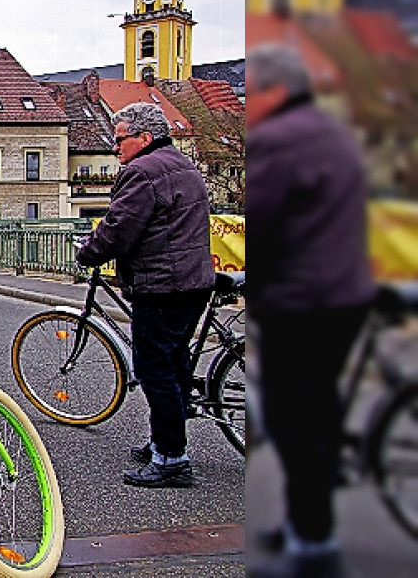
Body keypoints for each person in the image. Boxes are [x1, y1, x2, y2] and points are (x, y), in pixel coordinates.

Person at [244, 44, 375, 578]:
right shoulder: (335, 133)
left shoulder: (278, 141)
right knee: (316, 411)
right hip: (347, 292)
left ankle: (314, 545)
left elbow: (265, 221)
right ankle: (308, 517)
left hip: (301, 300)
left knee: (294, 421)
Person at [75, 101, 215, 489]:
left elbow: (118, 228)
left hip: (162, 284)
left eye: (121, 140)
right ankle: (164, 439)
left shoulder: (141, 173)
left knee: (154, 369)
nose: (115, 148)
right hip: (194, 280)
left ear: (145, 138)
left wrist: (87, 253)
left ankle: (171, 458)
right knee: (174, 361)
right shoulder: (184, 166)